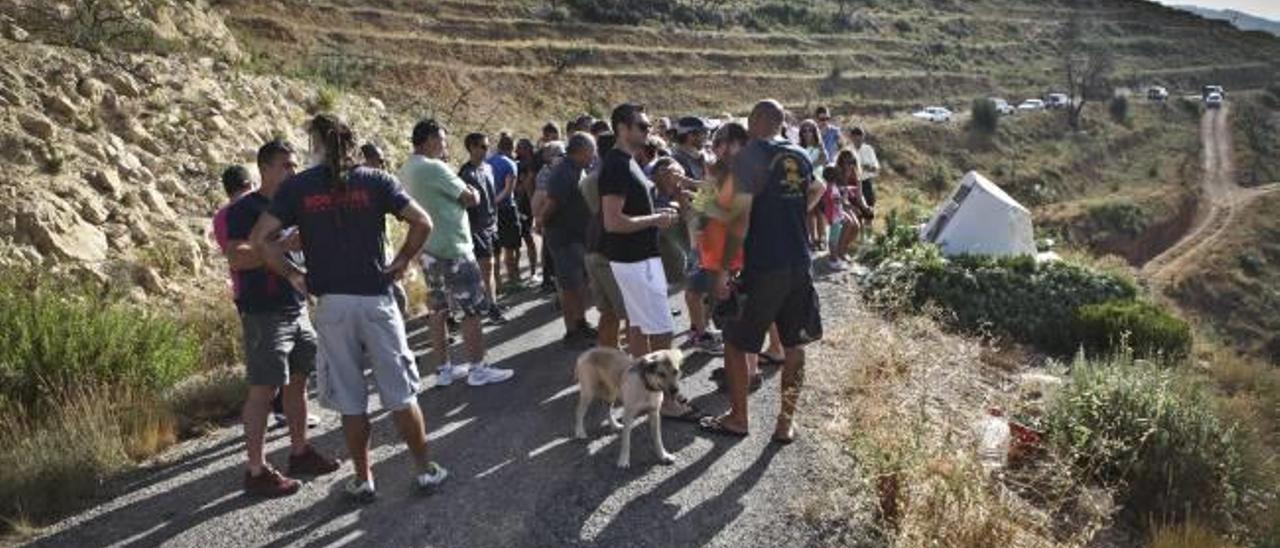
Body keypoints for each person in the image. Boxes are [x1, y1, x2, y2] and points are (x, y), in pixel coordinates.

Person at [250, 115, 445, 501]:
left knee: (351, 400)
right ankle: (425, 470)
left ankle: (363, 479)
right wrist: (402, 261)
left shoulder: (298, 188)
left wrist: (293, 275)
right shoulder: (376, 180)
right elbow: (422, 222)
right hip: (376, 299)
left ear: (315, 145)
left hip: (332, 305)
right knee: (401, 394)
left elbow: (260, 239)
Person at [702, 100, 825, 443]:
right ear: (780, 122)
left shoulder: (751, 156)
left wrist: (725, 270)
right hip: (799, 261)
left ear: (755, 121)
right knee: (795, 344)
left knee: (736, 342)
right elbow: (818, 188)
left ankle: (739, 418)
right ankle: (785, 423)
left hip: (765, 264)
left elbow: (739, 220)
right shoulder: (799, 154)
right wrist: (793, 215)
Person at [400, 119, 515, 389]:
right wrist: (472, 190)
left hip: (426, 248)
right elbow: (470, 197)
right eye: (440, 139)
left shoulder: (406, 168)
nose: (444, 145)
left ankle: (444, 369)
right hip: (453, 246)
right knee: (472, 309)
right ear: (428, 140)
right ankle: (478, 368)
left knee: (438, 311)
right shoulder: (434, 167)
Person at [599, 103, 679, 357]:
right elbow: (613, 221)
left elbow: (631, 208)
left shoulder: (626, 161)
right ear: (623, 129)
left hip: (635, 257)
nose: (648, 130)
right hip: (636, 259)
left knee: (640, 326)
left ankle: (643, 390)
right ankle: (665, 395)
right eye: (642, 126)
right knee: (662, 329)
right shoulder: (618, 165)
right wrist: (656, 219)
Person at [539, 132, 598, 345]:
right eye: (592, 151)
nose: (594, 155)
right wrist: (543, 224)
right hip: (564, 238)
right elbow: (550, 205)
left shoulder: (578, 169)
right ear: (581, 151)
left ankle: (581, 323)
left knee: (579, 284)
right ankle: (571, 332)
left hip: (577, 237)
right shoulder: (563, 172)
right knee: (568, 287)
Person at [669, 116, 721, 355]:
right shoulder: (676, 161)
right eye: (702, 133)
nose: (706, 136)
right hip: (694, 229)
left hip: (707, 225)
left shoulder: (700, 158)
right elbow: (684, 199)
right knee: (696, 285)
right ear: (690, 135)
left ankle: (700, 328)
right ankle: (700, 334)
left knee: (707, 283)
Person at [581, 132, 629, 349]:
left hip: (593, 244)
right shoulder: (613, 177)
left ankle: (607, 357)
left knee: (607, 312)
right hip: (612, 250)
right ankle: (625, 361)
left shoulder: (588, 179)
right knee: (630, 312)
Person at [458, 133, 508, 325]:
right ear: (471, 147)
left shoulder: (488, 168)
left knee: (493, 266)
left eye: (488, 147)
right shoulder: (465, 173)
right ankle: (491, 308)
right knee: (487, 267)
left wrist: (495, 219)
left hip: (492, 223)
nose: (486, 151)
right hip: (477, 227)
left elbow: (492, 195)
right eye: (482, 147)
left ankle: (492, 302)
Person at [488, 133, 523, 288]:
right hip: (507, 208)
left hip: (491, 211)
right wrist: (496, 201)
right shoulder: (510, 163)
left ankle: (498, 283)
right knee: (512, 247)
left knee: (496, 249)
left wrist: (490, 203)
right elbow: (509, 190)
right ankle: (514, 279)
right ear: (512, 147)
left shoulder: (487, 162)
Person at [829, 150, 871, 271]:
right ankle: (839, 252)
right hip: (835, 204)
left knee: (857, 226)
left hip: (846, 204)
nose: (848, 165)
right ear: (840, 161)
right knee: (849, 223)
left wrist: (865, 206)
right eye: (845, 161)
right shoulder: (836, 174)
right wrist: (849, 206)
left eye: (851, 162)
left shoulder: (856, 176)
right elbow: (834, 194)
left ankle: (842, 249)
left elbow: (859, 195)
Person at [797, 120, 830, 251]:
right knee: (810, 212)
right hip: (806, 183)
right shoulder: (799, 148)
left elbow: (824, 160)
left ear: (814, 131)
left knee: (820, 212)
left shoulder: (820, 147)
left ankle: (822, 239)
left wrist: (810, 165)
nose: (807, 133)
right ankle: (812, 239)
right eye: (804, 130)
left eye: (810, 130)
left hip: (819, 181)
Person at [515, 138, 540, 282]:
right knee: (520, 241)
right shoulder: (517, 164)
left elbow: (527, 186)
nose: (517, 150)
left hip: (527, 205)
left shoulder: (532, 164)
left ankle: (532, 271)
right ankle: (522, 273)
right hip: (522, 204)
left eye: (520, 148)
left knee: (528, 239)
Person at [849, 126, 880, 209]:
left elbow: (876, 168)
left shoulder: (868, 149)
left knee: (869, 210)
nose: (858, 141)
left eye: (860, 139)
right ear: (851, 138)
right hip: (852, 184)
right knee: (856, 210)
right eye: (856, 139)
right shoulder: (848, 150)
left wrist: (865, 167)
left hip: (866, 183)